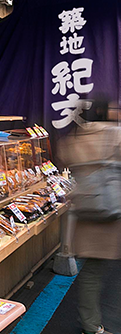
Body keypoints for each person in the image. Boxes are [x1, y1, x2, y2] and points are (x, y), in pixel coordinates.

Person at [58, 97, 121, 334]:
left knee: (91, 273)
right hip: (112, 213)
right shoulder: (115, 135)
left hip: (86, 214)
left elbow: (65, 160)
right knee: (98, 271)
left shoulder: (74, 138)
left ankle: (91, 325)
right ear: (105, 111)